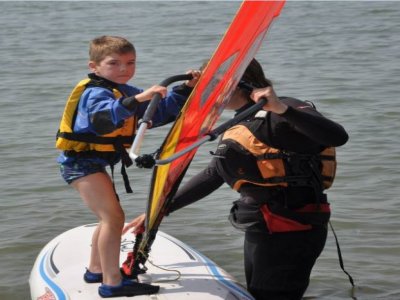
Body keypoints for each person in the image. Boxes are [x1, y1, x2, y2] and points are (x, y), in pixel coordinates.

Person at [124, 58, 349, 300]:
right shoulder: (242, 120)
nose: (210, 95)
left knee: (272, 295)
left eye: (214, 87)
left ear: (237, 84)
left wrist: (283, 110)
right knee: (258, 294)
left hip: (292, 229)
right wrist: (159, 210)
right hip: (262, 226)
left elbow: (336, 135)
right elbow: (213, 174)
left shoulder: (283, 109)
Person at [56, 35, 200, 298]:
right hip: (80, 163)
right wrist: (140, 97)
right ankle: (112, 284)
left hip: (97, 162)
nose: (124, 69)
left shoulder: (126, 91)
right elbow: (104, 119)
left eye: (130, 62)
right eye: (114, 63)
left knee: (108, 216)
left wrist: (186, 89)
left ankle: (95, 269)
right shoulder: (94, 92)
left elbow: (158, 113)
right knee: (113, 218)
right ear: (94, 67)